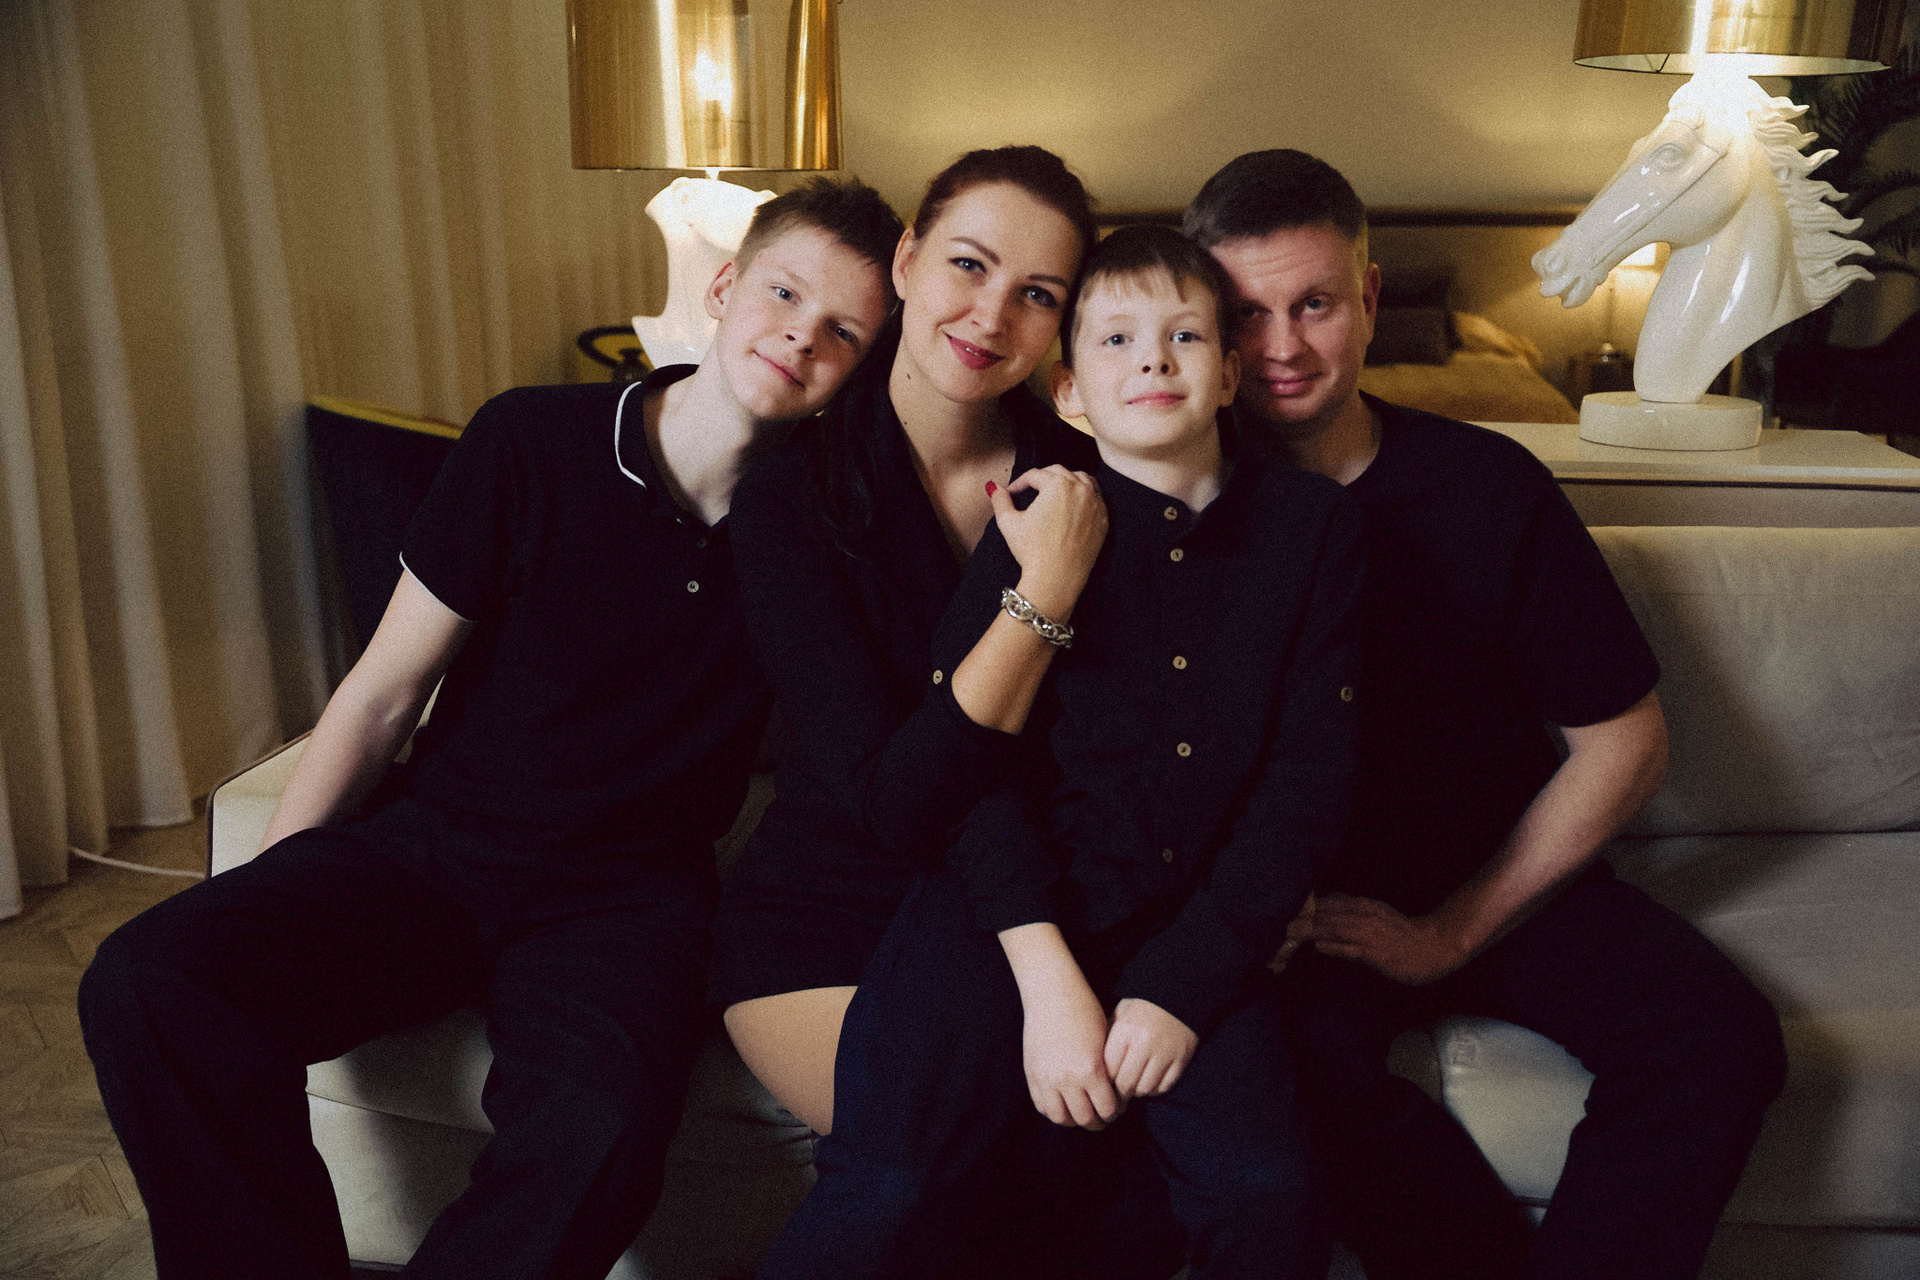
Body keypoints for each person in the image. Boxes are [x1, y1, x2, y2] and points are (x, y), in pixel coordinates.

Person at [77, 178, 903, 1280]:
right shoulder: (530, 438)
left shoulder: (825, 527)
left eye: (844, 330)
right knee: (148, 980)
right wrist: (274, 891)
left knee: (602, 1124)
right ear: (722, 288)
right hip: (440, 843)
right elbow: (381, 695)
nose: (802, 335)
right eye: (785, 293)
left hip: (628, 896)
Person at [1187, 149, 1788, 1280]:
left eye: (1314, 304)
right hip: (1301, 912)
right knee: (1286, 1103)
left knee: (1724, 1039)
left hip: (1506, 875)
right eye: (1244, 313)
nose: (1280, 348)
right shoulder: (1175, 504)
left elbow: (1626, 743)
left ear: (1369, 299)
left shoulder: (1488, 483)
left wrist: (1454, 929)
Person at [752, 223, 1364, 1280]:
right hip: (1007, 910)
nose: (1153, 360)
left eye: (1183, 337)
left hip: (1197, 921)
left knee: (1266, 1190)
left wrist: (1181, 988)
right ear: (1072, 392)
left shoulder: (1312, 528)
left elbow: (1308, 785)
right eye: (1117, 340)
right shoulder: (1034, 517)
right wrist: (1047, 987)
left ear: (1230, 375)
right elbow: (973, 774)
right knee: (895, 1178)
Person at [712, 146, 1109, 1140]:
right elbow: (885, 802)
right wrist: (1044, 595)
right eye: (968, 265)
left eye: (1038, 294)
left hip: (1023, 893)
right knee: (928, 1159)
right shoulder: (788, 492)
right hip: (824, 905)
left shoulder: (1091, 481)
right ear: (906, 260)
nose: (991, 317)